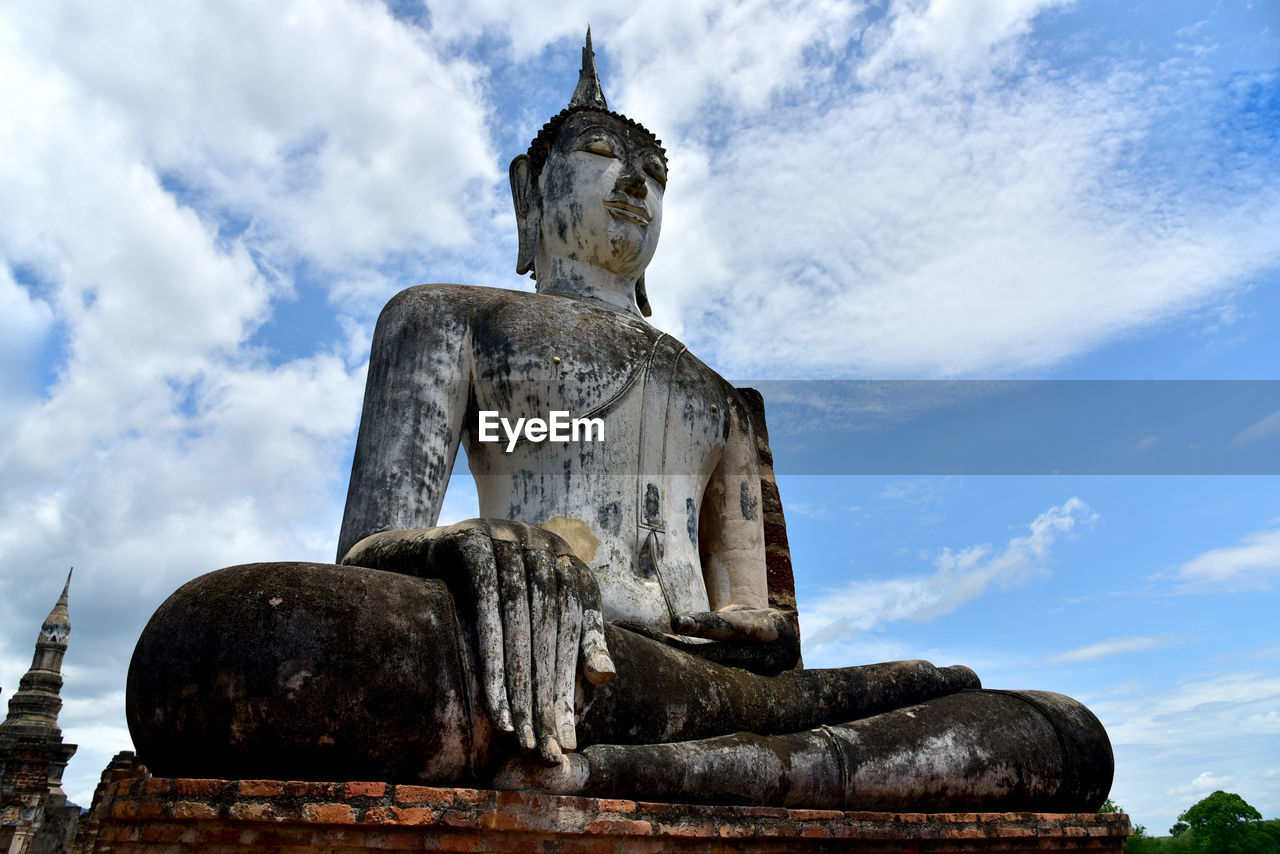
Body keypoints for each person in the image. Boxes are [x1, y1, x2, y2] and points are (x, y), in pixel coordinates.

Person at [127, 32, 1113, 810]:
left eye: (652, 173)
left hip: (727, 695)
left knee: (1047, 725)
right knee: (237, 640)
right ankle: (727, 767)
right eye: (601, 155)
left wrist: (747, 625)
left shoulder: (715, 393)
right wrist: (472, 547)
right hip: (550, 656)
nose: (632, 185)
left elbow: (761, 628)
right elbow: (367, 547)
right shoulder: (447, 318)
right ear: (529, 189)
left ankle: (647, 773)